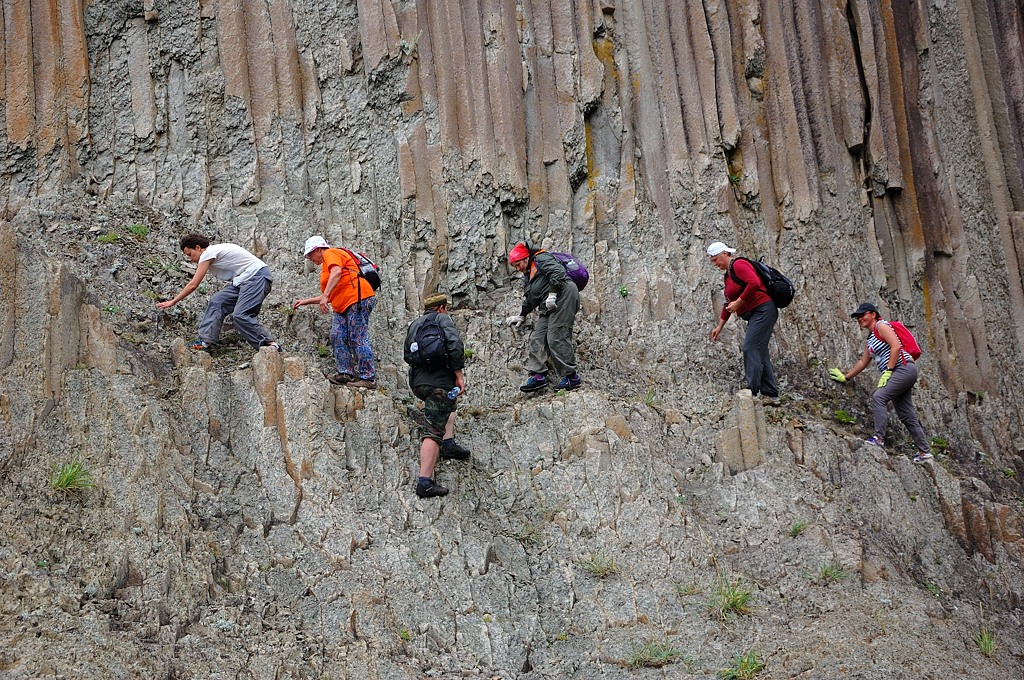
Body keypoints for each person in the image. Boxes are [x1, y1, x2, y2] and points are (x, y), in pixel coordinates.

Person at [828, 302, 933, 463]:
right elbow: (863, 362)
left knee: (879, 397)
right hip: (899, 372)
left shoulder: (881, 326)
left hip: (902, 368)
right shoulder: (871, 339)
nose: (860, 319)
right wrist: (846, 377)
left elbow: (896, 346)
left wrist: (889, 370)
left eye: (863, 315)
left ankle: (878, 438)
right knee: (906, 415)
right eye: (858, 317)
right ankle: (924, 452)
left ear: (873, 314)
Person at [157, 234, 280, 352]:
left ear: (198, 248)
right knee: (218, 301)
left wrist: (173, 301)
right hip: (243, 280)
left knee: (240, 315)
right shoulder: (215, 251)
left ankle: (270, 345)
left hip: (256, 277)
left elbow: (193, 285)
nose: (190, 259)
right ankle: (206, 342)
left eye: (190, 254)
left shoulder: (208, 253)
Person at [405, 294, 470, 498]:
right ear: (441, 308)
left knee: (446, 406)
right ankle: (424, 482)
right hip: (439, 383)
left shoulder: (415, 324)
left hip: (418, 383)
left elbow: (407, 355)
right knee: (433, 430)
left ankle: (448, 443)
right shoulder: (443, 319)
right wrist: (458, 374)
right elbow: (455, 345)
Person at [292, 236, 377, 389]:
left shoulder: (331, 254)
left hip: (357, 298)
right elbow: (331, 294)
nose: (310, 259)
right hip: (343, 305)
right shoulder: (326, 266)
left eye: (310, 255)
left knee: (357, 337)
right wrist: (306, 301)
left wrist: (325, 296)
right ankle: (345, 373)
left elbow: (337, 273)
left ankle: (368, 377)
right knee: (336, 335)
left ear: (317, 249)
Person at [707, 241, 780, 405]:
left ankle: (751, 392)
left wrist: (740, 302)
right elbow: (728, 303)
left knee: (750, 347)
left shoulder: (739, 264)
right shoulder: (728, 275)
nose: (715, 264)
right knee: (760, 351)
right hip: (756, 313)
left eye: (715, 259)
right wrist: (720, 326)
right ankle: (772, 395)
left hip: (764, 310)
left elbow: (753, 282)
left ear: (724, 254)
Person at [504, 242, 582, 392]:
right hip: (548, 304)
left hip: (564, 295)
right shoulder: (529, 274)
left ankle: (571, 377)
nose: (517, 268)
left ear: (526, 258)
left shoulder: (541, 259)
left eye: (518, 264)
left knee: (556, 335)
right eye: (514, 266)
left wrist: (552, 294)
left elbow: (558, 272)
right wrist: (521, 315)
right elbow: (531, 298)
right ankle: (538, 376)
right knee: (537, 337)